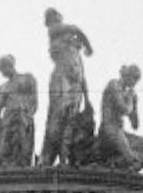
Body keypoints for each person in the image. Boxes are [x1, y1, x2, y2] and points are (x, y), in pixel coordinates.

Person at [39, 8, 94, 166]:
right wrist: (89, 47)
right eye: (53, 17)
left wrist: (87, 98)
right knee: (58, 117)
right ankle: (47, 157)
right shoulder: (53, 30)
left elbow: (82, 74)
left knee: (71, 120)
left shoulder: (75, 52)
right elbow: (75, 28)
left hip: (75, 84)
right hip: (61, 80)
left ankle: (65, 156)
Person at [97, 64, 143, 173]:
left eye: (136, 80)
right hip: (109, 130)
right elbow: (124, 109)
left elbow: (135, 125)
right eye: (133, 78)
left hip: (120, 131)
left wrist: (135, 105)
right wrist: (130, 99)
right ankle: (117, 165)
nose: (134, 83)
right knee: (131, 159)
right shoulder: (114, 85)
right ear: (127, 75)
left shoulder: (127, 93)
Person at [0, 55, 38, 168]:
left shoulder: (27, 78)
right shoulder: (2, 87)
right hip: (8, 118)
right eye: (1, 71)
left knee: (20, 141)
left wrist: (27, 114)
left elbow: (34, 101)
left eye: (3, 69)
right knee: (4, 141)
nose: (3, 73)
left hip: (22, 117)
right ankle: (0, 159)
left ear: (9, 66)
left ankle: (19, 161)